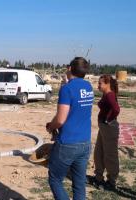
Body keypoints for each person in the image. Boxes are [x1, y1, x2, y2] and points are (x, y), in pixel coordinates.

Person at [46, 57, 94, 200]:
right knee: (79, 184)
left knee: (55, 179)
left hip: (68, 143)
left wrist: (50, 126)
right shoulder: (88, 87)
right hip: (85, 142)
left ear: (70, 69)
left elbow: (60, 119)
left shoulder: (66, 89)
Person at [93, 74, 120, 190]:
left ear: (107, 84)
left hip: (109, 127)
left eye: (100, 83)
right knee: (99, 152)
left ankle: (111, 181)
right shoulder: (106, 94)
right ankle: (98, 177)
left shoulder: (110, 95)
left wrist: (109, 119)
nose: (98, 85)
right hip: (104, 127)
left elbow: (116, 109)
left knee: (110, 155)